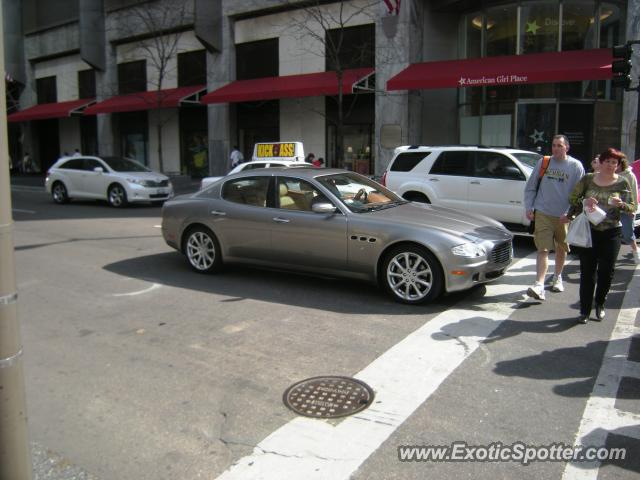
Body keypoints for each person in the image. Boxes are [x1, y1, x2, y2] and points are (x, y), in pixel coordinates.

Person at [563, 148, 636, 324]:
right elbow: (572, 198)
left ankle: (600, 303)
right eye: (608, 161)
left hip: (612, 231)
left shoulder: (623, 182)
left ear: (618, 165)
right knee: (587, 272)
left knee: (606, 272)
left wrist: (622, 205)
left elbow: (633, 207)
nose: (611, 165)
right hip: (589, 230)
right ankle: (584, 310)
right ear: (601, 162)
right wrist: (584, 201)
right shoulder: (588, 179)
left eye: (614, 163)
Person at [524, 134, 585, 300]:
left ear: (567, 147)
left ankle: (557, 277)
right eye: (554, 145)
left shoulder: (575, 166)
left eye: (560, 145)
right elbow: (530, 187)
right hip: (543, 212)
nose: (556, 148)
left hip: (563, 216)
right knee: (542, 249)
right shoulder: (544, 162)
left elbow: (579, 194)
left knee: (561, 248)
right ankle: (539, 284)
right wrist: (529, 207)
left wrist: (570, 213)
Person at [616, 157, 639, 263]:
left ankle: (635, 250)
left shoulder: (629, 175)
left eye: (615, 163)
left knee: (628, 234)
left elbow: (634, 192)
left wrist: (632, 209)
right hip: (612, 209)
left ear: (621, 164)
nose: (613, 165)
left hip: (626, 208)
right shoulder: (608, 174)